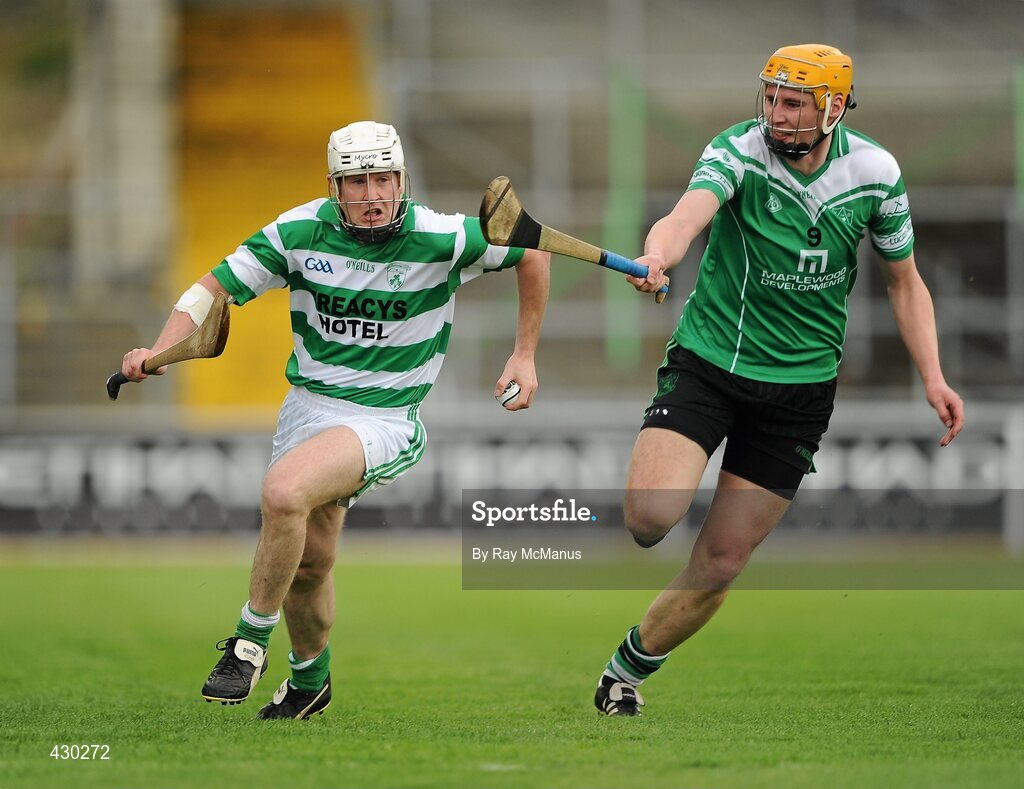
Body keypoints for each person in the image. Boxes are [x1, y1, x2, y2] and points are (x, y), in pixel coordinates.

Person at [120, 121, 549, 719]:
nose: (373, 194)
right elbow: (207, 292)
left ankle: (248, 644)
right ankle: (309, 683)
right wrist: (158, 348)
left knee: (283, 492)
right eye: (357, 182)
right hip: (307, 409)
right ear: (334, 187)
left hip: (383, 418)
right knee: (309, 565)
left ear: (402, 180)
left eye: (384, 179)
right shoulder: (297, 231)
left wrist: (524, 354)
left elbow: (531, 251)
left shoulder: (442, 236)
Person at [592, 45, 964, 716]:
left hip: (800, 392)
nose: (776, 113)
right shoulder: (738, 151)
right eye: (770, 97)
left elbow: (904, 284)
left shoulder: (875, 173)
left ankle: (626, 670)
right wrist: (656, 254)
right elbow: (685, 215)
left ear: (834, 107)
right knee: (649, 519)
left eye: (793, 102)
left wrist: (934, 376)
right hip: (711, 365)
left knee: (724, 560)